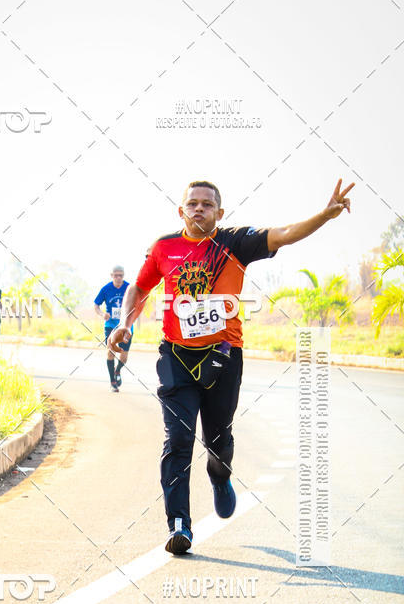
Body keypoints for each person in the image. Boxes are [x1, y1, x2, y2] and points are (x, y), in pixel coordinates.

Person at [110, 178, 354, 554]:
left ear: (219, 214)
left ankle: (219, 474)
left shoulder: (234, 243)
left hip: (223, 356)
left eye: (207, 205)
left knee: (218, 440)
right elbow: (139, 288)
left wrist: (325, 214)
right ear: (181, 210)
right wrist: (126, 322)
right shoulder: (164, 247)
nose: (198, 209)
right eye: (192, 204)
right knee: (177, 440)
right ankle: (179, 526)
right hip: (175, 356)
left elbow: (285, 234)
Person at [94, 265, 132, 391]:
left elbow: (137, 302)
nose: (118, 277)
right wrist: (102, 314)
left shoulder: (129, 287)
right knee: (110, 352)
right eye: (116, 275)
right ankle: (112, 382)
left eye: (121, 275)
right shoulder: (106, 289)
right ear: (112, 276)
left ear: (123, 275)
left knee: (124, 355)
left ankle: (118, 370)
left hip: (126, 326)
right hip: (110, 325)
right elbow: (96, 305)